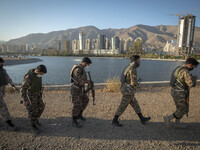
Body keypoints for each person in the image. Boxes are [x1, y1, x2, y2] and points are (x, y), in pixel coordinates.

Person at [112, 55, 151, 127]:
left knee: (135, 104)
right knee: (123, 105)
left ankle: (142, 118)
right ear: (135, 61)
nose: (139, 62)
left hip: (126, 89)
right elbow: (133, 83)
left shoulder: (128, 67)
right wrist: (137, 84)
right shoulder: (133, 69)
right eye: (138, 61)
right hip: (128, 91)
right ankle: (115, 120)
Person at [164, 58, 199, 128]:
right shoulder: (185, 71)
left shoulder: (179, 68)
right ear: (189, 65)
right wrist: (194, 79)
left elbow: (181, 78)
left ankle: (177, 123)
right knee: (183, 109)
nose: (193, 68)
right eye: (193, 66)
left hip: (175, 91)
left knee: (179, 108)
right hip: (180, 93)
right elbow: (190, 84)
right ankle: (168, 118)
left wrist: (190, 77)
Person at [20, 64, 47, 134]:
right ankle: (33, 125)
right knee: (32, 111)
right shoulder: (29, 77)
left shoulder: (38, 75)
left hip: (37, 95)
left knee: (41, 107)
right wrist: (25, 100)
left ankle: (35, 119)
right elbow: (23, 88)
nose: (42, 75)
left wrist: (40, 94)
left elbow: (38, 84)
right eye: (42, 73)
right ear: (37, 71)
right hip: (30, 96)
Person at [70, 57, 92, 128]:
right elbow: (78, 81)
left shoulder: (81, 68)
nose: (88, 66)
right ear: (84, 62)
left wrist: (86, 83)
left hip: (80, 89)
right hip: (76, 89)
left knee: (86, 100)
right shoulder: (78, 69)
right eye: (88, 64)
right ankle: (74, 120)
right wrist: (86, 82)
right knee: (77, 104)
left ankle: (79, 114)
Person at [0, 57, 18, 131]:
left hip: (1, 92)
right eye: (1, 62)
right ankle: (9, 123)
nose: (2, 64)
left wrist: (13, 86)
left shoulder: (3, 70)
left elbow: (8, 78)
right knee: (3, 107)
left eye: (3, 62)